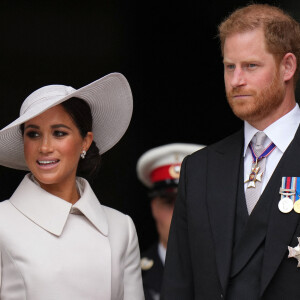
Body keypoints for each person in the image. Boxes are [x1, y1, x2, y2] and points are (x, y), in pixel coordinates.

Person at [161, 4, 300, 300]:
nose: (236, 80)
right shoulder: (198, 170)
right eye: (229, 66)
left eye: (250, 66)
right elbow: (178, 286)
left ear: (287, 67)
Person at [0, 73, 144, 299]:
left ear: (85, 141)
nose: (45, 147)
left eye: (59, 133)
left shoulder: (120, 228)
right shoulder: (3, 221)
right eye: (33, 134)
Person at [137, 143, 204, 300]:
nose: (179, 213)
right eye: (168, 202)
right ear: (154, 207)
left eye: (189, 201)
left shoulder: (229, 271)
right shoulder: (131, 275)